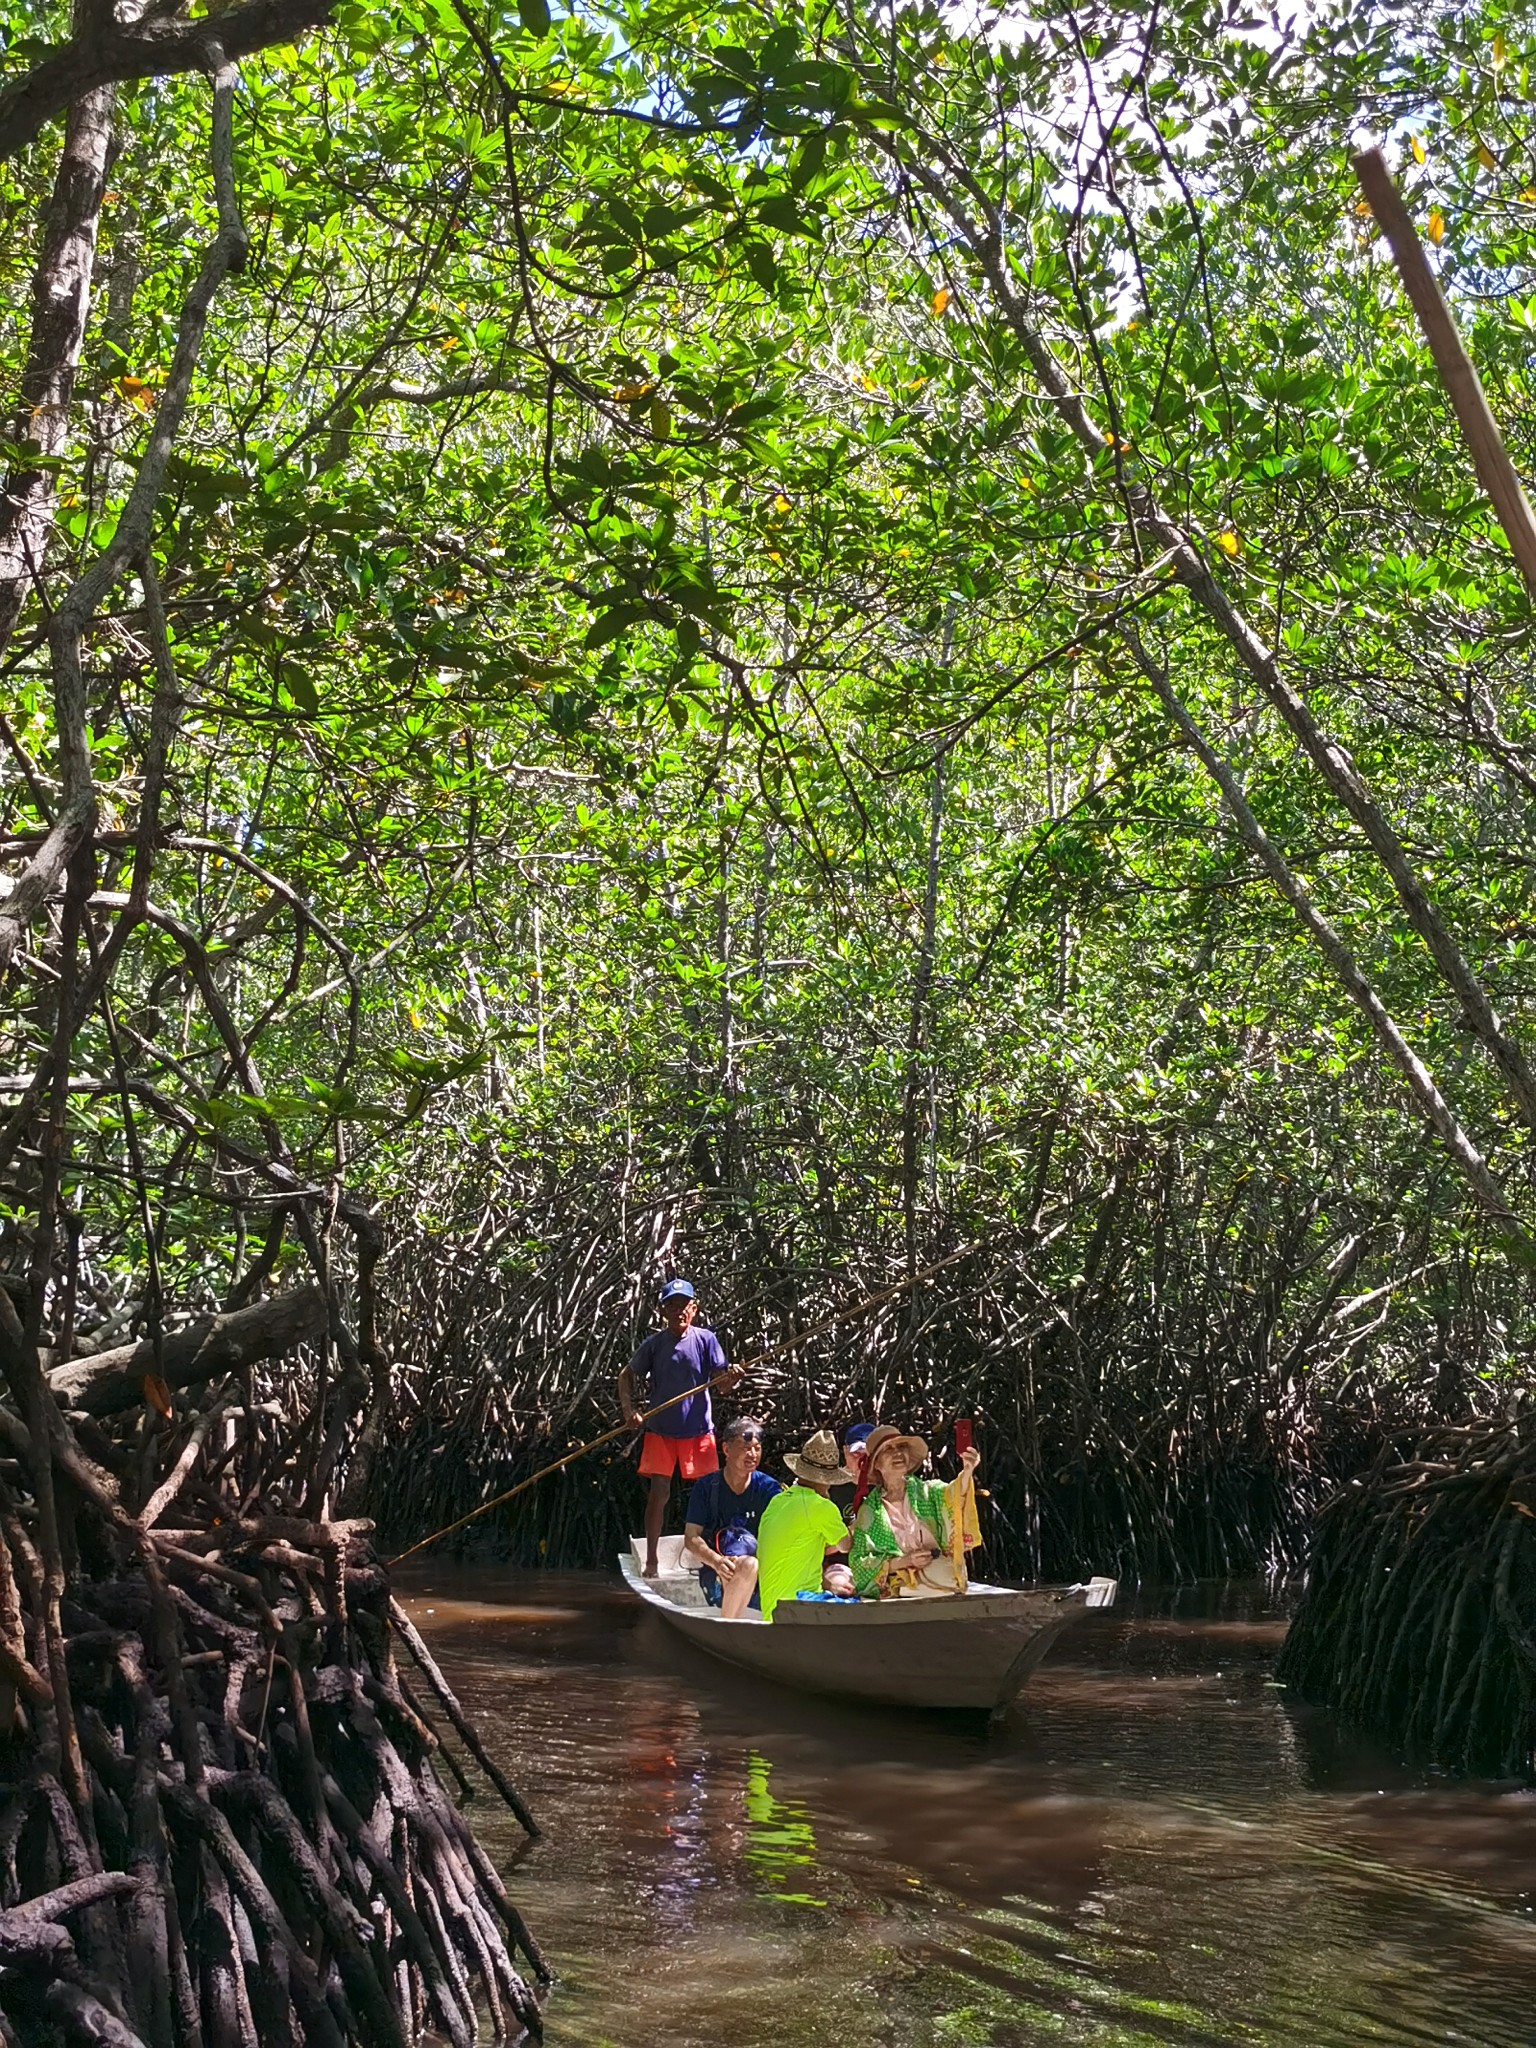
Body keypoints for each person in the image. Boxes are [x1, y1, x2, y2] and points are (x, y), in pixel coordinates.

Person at [617, 1278, 742, 1577]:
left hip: (699, 1431)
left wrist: (734, 1377)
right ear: (663, 1311)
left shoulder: (705, 1340)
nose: (678, 1312)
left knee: (710, 1495)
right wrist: (629, 1411)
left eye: (684, 1306)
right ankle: (652, 1560)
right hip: (661, 1431)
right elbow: (626, 1375)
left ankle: (714, 1560)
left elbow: (722, 1385)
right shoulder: (655, 1345)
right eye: (672, 1306)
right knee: (658, 1493)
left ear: (694, 1309)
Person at [849, 1424, 981, 1598]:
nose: (897, 1453)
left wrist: (968, 1471)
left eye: (901, 1447)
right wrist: (905, 1562)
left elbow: (954, 1496)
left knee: (944, 1575)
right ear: (877, 1464)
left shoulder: (930, 1491)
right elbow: (859, 1563)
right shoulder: (869, 1511)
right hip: (896, 1579)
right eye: (888, 1449)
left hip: (936, 1571)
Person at [682, 1416, 780, 1620]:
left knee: (750, 1565)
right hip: (717, 1574)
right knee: (743, 1566)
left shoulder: (769, 1489)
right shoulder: (706, 1487)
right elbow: (691, 1537)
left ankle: (728, 1623)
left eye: (757, 1448)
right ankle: (729, 1624)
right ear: (726, 1449)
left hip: (760, 1576)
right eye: (746, 1447)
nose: (753, 1454)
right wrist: (717, 1561)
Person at [756, 1429, 854, 1620]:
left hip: (772, 1610)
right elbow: (845, 1546)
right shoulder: (820, 1506)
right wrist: (857, 1523)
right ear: (829, 1479)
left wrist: (828, 1585)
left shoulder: (778, 1501)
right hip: (798, 1612)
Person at [828, 1420, 877, 1516]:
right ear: (845, 1451)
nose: (862, 1461)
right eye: (856, 1454)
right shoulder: (830, 1487)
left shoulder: (888, 1487)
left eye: (868, 1456)